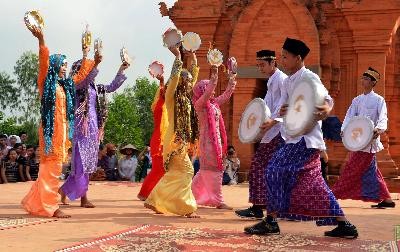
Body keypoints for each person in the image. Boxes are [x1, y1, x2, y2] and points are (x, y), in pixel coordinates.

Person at [244, 37, 358, 239]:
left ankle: (271, 221)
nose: (283, 60)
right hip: (292, 137)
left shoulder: (309, 78)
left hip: (305, 139)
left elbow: (327, 99)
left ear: (298, 58)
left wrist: (325, 109)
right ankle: (345, 224)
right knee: (314, 184)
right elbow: (288, 108)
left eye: (285, 57)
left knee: (273, 170)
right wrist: (285, 112)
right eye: (281, 56)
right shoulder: (288, 82)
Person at [21, 26, 92, 218]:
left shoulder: (64, 86)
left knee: (50, 170)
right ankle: (49, 206)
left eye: (66, 65)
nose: (65, 67)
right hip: (51, 133)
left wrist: (86, 55)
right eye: (62, 64)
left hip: (61, 134)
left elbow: (79, 77)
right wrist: (42, 40)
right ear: (54, 66)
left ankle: (35, 202)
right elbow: (43, 62)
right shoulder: (45, 83)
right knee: (51, 171)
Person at [59, 44, 129, 208]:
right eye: (88, 69)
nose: (92, 73)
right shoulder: (75, 86)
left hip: (93, 129)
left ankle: (63, 191)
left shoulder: (95, 89)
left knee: (87, 164)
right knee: (81, 163)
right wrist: (96, 64)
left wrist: (121, 69)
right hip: (81, 127)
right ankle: (83, 198)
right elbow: (85, 80)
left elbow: (111, 87)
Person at [145, 44, 199, 218]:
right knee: (187, 171)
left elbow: (193, 75)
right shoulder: (171, 98)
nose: (191, 83)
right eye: (188, 81)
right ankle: (184, 206)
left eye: (191, 81)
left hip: (181, 141)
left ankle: (156, 199)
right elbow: (175, 78)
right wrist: (177, 57)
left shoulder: (187, 99)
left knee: (178, 172)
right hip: (175, 140)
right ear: (181, 83)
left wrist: (194, 58)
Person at [332, 67, 395, 209]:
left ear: (373, 82)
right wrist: (344, 130)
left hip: (370, 141)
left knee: (352, 168)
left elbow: (383, 117)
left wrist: (379, 129)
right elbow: (349, 116)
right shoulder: (357, 100)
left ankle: (333, 194)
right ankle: (387, 199)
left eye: (366, 79)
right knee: (371, 171)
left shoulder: (379, 100)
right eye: (363, 78)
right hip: (357, 140)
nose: (363, 80)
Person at [235, 49, 287, 219]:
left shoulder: (282, 79)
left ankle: (263, 207)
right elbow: (264, 106)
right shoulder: (271, 80)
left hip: (277, 132)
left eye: (262, 65)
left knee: (263, 167)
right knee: (264, 168)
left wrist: (274, 121)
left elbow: (286, 104)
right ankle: (263, 206)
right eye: (258, 65)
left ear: (273, 63)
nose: (260, 68)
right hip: (269, 132)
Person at [191, 65, 236, 209]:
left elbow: (227, 95)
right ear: (203, 90)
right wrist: (214, 75)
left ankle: (190, 195)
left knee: (205, 170)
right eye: (209, 88)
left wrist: (232, 78)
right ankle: (218, 201)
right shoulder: (200, 104)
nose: (213, 91)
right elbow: (209, 91)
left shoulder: (214, 104)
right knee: (215, 169)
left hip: (215, 140)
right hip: (208, 142)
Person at [137, 75, 168, 199]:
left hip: (165, 140)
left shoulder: (167, 107)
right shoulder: (159, 108)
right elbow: (163, 93)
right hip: (159, 140)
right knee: (158, 169)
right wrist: (162, 82)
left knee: (162, 170)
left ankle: (154, 193)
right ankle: (144, 193)